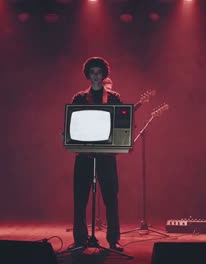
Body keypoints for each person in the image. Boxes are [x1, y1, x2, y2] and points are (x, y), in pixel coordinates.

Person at [70, 57, 124, 252]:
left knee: (111, 198)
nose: (95, 76)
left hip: (106, 156)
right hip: (84, 155)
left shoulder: (114, 97)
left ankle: (113, 240)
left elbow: (121, 124)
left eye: (99, 72)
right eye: (92, 72)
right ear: (88, 75)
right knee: (80, 198)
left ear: (104, 75)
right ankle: (79, 239)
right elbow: (72, 125)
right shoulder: (78, 98)